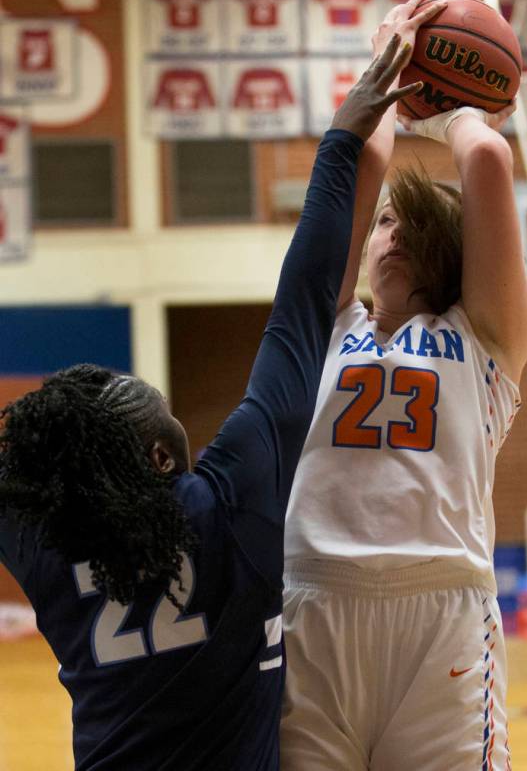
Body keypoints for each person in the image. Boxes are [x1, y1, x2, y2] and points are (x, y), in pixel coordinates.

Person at [0, 39, 420, 771]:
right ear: (161, 455)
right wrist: (341, 139)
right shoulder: (230, 501)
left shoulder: (44, 544)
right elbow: (304, 302)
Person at [281, 0, 527, 771]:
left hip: (442, 621)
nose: (389, 237)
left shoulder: (484, 340)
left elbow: (487, 158)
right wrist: (387, 74)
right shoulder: (325, 327)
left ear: (450, 259)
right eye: (383, 223)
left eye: (410, 227)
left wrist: (460, 104)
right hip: (310, 604)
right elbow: (359, 162)